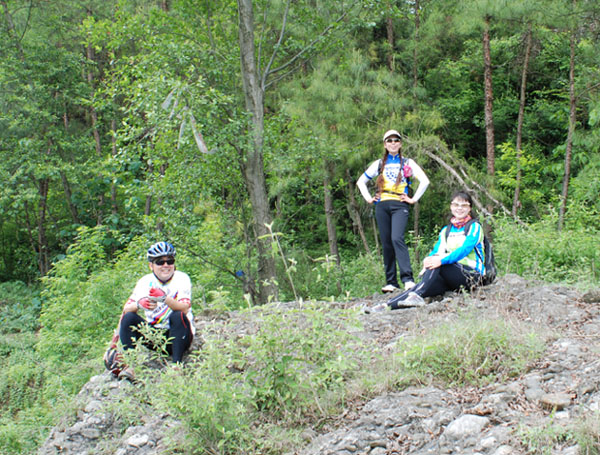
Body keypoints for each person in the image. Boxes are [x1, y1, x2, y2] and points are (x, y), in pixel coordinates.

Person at [365, 191, 485, 312]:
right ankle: (386, 306)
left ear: (469, 208)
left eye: (464, 205)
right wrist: (428, 260)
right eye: (456, 205)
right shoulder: (446, 230)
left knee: (437, 264)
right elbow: (437, 251)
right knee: (422, 286)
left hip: (472, 275)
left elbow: (464, 250)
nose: (459, 208)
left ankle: (416, 296)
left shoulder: (474, 227)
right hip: (452, 277)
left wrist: (440, 260)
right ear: (451, 206)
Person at [357, 130, 430, 293]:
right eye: (389, 141)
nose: (393, 143)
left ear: (400, 143)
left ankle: (408, 279)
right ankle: (391, 282)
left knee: (397, 238)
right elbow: (361, 181)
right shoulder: (379, 164)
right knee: (386, 242)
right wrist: (369, 198)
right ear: (385, 144)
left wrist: (413, 199)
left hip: (400, 204)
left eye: (396, 140)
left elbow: (425, 181)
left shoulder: (408, 162)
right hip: (382, 205)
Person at [117, 241, 194, 380]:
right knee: (129, 317)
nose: (166, 265)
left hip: (180, 335)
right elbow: (126, 309)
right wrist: (139, 304)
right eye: (160, 262)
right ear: (151, 265)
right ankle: (131, 366)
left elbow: (184, 308)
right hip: (155, 336)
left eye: (169, 261)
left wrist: (164, 298)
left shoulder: (182, 278)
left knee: (177, 315)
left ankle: (176, 366)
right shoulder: (144, 282)